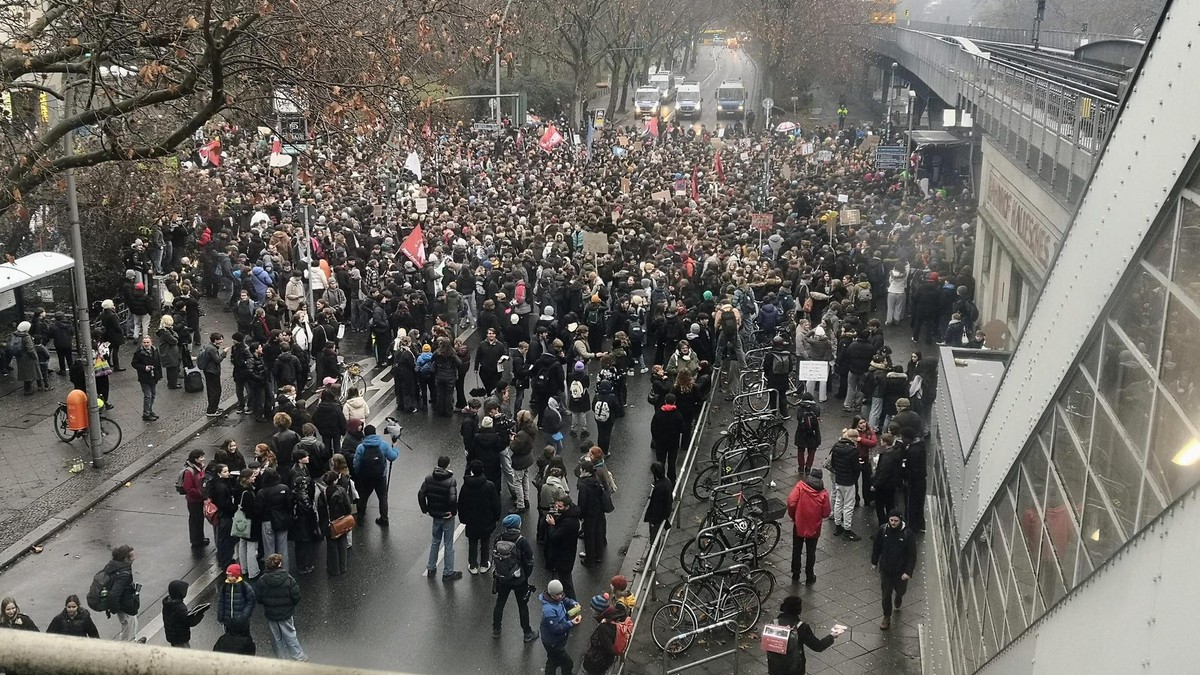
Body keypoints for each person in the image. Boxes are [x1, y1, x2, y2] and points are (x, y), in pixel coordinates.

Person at [491, 513, 539, 642]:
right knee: (522, 606)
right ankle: (527, 633)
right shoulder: (521, 541)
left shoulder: (498, 538)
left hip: (502, 578)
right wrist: (525, 575)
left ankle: (496, 629)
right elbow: (529, 561)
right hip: (519, 580)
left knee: (500, 603)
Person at [417, 455, 463, 581]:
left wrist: (425, 509)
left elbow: (421, 494)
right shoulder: (451, 481)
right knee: (448, 544)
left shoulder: (429, 478)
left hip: (435, 514)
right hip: (447, 515)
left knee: (435, 541)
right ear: (448, 465)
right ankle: (448, 571)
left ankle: (431, 567)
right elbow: (453, 499)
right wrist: (453, 512)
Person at [767, 596, 838, 675]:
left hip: (775, 668)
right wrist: (832, 636)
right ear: (798, 610)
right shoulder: (801, 627)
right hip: (794, 670)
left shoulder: (774, 623)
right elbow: (818, 646)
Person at [255, 553, 307, 661]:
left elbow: (258, 598)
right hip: (286, 613)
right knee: (290, 634)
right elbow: (296, 596)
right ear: (279, 564)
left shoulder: (262, 580)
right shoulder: (288, 578)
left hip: (271, 614)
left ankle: (281, 658)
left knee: (276, 637)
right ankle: (298, 656)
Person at [872, 509, 918, 630]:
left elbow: (912, 554)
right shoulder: (883, 530)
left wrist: (908, 571)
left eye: (896, 520)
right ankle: (886, 616)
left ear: (900, 520)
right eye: (891, 520)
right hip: (886, 569)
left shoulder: (907, 534)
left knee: (901, 589)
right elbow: (877, 546)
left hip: (900, 571)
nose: (893, 523)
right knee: (886, 594)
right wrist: (874, 561)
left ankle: (899, 596)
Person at [786, 468, 831, 585]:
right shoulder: (823, 494)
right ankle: (809, 576)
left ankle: (796, 573)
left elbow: (791, 502)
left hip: (799, 523)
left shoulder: (801, 486)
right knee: (811, 552)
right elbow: (826, 513)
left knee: (797, 549)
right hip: (814, 527)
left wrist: (794, 516)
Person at [458, 459, 501, 575]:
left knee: (472, 543)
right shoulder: (489, 485)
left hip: (471, 521)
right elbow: (495, 504)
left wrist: (463, 519)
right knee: (485, 543)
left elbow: (461, 504)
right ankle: (484, 563)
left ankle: (472, 564)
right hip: (486, 520)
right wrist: (496, 517)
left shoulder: (465, 486)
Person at [354, 424, 400, 525]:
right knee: (383, 498)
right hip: (380, 476)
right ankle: (384, 518)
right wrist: (395, 448)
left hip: (366, 477)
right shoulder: (383, 445)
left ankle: (360, 518)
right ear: (375, 433)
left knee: (364, 497)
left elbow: (356, 464)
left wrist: (358, 474)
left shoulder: (361, 447)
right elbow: (392, 457)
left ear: (364, 434)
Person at [539, 578, 582, 675]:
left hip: (555, 640)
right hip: (553, 642)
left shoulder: (556, 598)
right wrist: (571, 623)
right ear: (551, 595)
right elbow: (555, 628)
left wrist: (572, 603)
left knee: (553, 660)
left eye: (561, 593)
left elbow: (564, 599)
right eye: (557, 595)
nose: (560, 596)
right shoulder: (548, 610)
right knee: (567, 663)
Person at [544, 497, 581, 601]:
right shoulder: (569, 516)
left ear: (567, 507)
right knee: (565, 581)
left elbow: (554, 537)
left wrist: (552, 525)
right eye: (556, 505)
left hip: (564, 556)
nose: (557, 508)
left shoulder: (569, 522)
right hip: (565, 554)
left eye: (560, 506)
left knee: (566, 583)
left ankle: (574, 606)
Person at [102, 544, 142, 641]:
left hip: (123, 606)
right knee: (129, 631)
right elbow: (114, 594)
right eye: (132, 556)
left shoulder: (114, 567)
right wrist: (118, 608)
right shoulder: (124, 575)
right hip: (125, 607)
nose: (134, 558)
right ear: (125, 559)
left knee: (128, 627)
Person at [828, 428, 861, 540]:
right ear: (852, 438)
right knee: (848, 506)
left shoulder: (836, 447)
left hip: (839, 479)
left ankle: (838, 526)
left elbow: (833, 464)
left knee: (838, 502)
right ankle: (847, 530)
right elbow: (856, 468)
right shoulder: (853, 451)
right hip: (849, 481)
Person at [576, 459, 610, 567]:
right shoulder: (597, 479)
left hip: (589, 514)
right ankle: (598, 556)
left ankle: (589, 560)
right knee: (598, 533)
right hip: (599, 511)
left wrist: (580, 514)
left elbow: (582, 501)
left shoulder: (583, 484)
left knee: (589, 537)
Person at [257, 468, 292, 570]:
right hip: (282, 520)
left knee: (269, 549)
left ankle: (270, 571)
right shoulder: (284, 488)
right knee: (283, 548)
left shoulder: (262, 492)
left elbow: (258, 510)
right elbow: (289, 505)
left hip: (267, 521)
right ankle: (284, 570)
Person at [581, 602, 628, 674]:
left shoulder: (603, 628)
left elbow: (608, 648)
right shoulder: (616, 618)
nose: (591, 610)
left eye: (593, 609)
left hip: (601, 661)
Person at [650, 393, 685, 482]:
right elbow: (681, 429)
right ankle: (672, 479)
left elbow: (653, 428)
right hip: (673, 443)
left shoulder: (658, 414)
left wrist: (655, 438)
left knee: (660, 461)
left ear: (665, 401)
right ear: (674, 402)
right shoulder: (677, 415)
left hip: (660, 442)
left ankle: (659, 478)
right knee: (672, 462)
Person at [162, 581, 207, 648]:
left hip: (173, 637)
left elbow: (180, 618)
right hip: (181, 638)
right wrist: (200, 613)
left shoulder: (168, 604)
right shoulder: (179, 607)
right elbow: (190, 622)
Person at [181, 449, 209, 548]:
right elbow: (188, 488)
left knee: (199, 519)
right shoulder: (190, 472)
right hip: (194, 501)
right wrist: (201, 493)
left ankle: (200, 538)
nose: (203, 459)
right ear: (195, 459)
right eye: (201, 457)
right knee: (195, 520)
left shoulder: (200, 468)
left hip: (200, 499)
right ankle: (196, 540)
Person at [131, 335, 163, 421]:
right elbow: (134, 363)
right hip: (144, 377)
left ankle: (150, 410)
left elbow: (158, 363)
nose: (146, 344)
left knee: (153, 395)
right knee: (148, 395)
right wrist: (144, 368)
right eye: (144, 342)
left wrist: (159, 375)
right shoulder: (139, 353)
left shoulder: (155, 350)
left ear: (151, 342)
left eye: (147, 342)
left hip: (153, 376)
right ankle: (146, 413)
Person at [197, 332, 227, 417]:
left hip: (209, 371)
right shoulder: (212, 349)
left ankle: (214, 407)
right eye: (220, 339)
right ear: (215, 340)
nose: (222, 340)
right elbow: (218, 360)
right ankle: (211, 410)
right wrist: (224, 353)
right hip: (212, 372)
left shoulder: (208, 346)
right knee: (215, 391)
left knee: (213, 390)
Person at [794, 392, 822, 474]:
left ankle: (801, 467)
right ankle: (808, 468)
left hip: (801, 432)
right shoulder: (816, 407)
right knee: (812, 451)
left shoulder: (800, 408)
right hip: (813, 433)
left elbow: (798, 418)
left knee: (800, 450)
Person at [156, 314, 182, 389]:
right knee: (173, 369)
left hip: (167, 352)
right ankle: (172, 384)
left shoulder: (163, 331)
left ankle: (171, 383)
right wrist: (175, 335)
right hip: (170, 353)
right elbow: (174, 341)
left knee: (170, 369)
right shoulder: (166, 332)